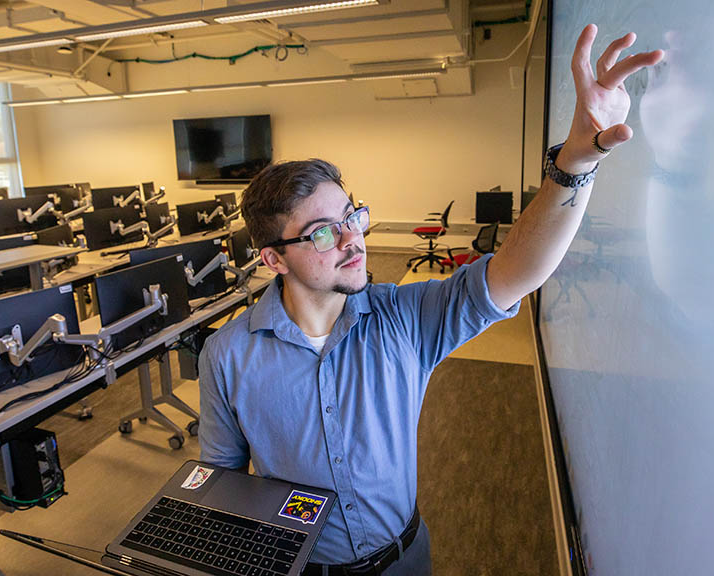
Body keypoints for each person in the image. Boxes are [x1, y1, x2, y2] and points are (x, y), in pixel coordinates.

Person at [197, 24, 664, 576]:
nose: (353, 240)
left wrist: (575, 166)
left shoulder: (404, 320)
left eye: (353, 217)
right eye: (323, 232)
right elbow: (220, 483)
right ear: (274, 258)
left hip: (406, 560)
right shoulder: (227, 355)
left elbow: (516, 272)